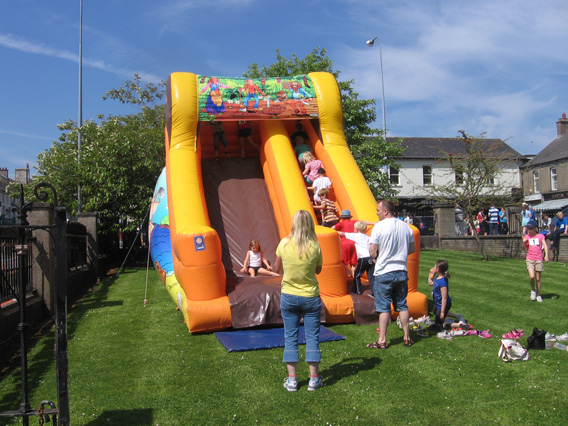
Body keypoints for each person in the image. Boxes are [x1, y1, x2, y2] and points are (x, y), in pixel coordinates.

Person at [273, 210, 324, 392]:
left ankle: (293, 380)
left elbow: (277, 268)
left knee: (290, 336)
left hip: (289, 295)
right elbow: (318, 270)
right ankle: (313, 379)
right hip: (310, 296)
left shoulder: (284, 243)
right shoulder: (315, 246)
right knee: (312, 337)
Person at [368, 199, 416, 349]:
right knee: (402, 305)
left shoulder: (379, 227)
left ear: (385, 211)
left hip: (384, 271)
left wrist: (376, 256)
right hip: (401, 270)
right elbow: (412, 249)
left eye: (378, 210)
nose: (377, 213)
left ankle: (382, 340)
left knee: (383, 307)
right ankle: (407, 337)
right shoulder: (406, 227)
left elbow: (372, 251)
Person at [336, 221, 374, 295]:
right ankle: (374, 292)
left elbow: (342, 234)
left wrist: (333, 231)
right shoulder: (368, 237)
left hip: (363, 258)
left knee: (357, 274)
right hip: (370, 258)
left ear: (356, 229)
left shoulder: (355, 235)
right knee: (371, 275)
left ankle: (358, 290)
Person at [522, 220, 549, 302]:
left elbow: (545, 246)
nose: (529, 230)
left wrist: (546, 255)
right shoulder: (527, 237)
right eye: (528, 229)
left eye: (531, 229)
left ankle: (538, 294)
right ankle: (533, 290)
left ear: (535, 228)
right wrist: (524, 243)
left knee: (538, 278)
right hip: (530, 258)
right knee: (532, 276)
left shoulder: (540, 236)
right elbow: (524, 249)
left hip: (539, 259)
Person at [427, 260, 455, 327]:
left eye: (435, 266)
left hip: (443, 304)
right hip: (438, 303)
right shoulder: (437, 277)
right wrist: (430, 274)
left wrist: (442, 312)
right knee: (435, 312)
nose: (433, 268)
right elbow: (430, 283)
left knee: (438, 324)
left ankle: (458, 324)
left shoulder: (443, 282)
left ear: (438, 269)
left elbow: (444, 298)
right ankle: (454, 315)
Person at [332, 210, 359, 277]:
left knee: (344, 261)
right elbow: (363, 222)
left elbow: (332, 228)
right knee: (354, 263)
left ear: (342, 218)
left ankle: (347, 272)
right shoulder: (354, 222)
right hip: (354, 243)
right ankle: (355, 279)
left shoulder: (341, 223)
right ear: (350, 217)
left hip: (345, 244)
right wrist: (373, 223)